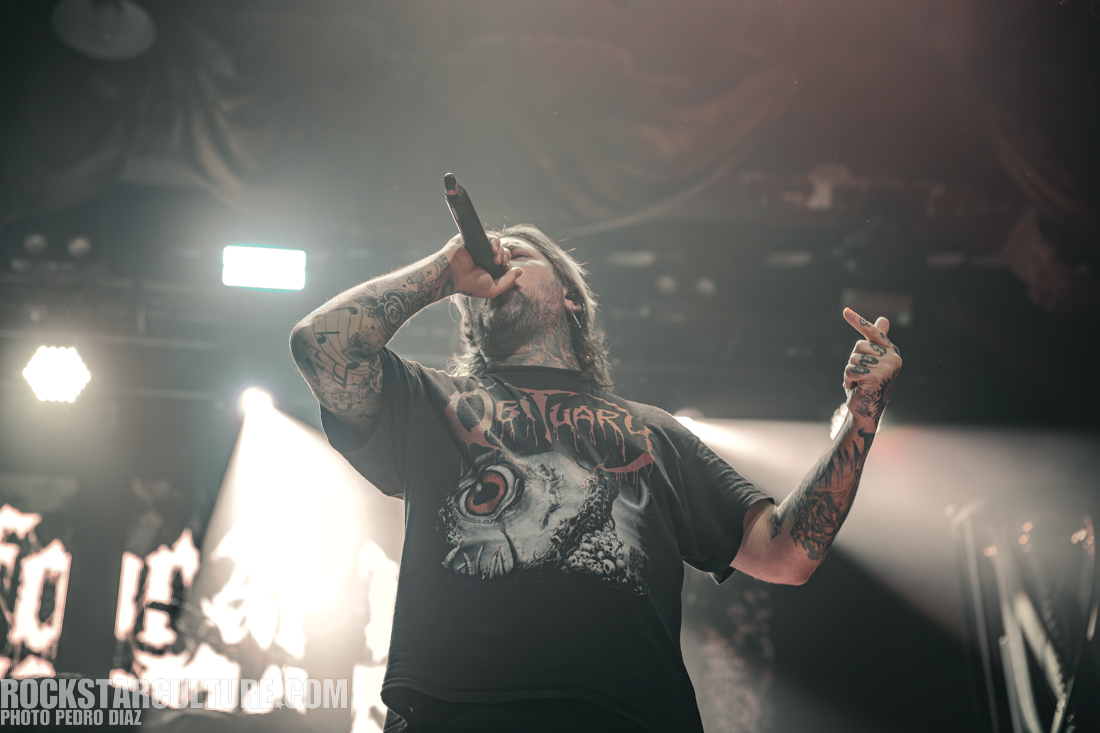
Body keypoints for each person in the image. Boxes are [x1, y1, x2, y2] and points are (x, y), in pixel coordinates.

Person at [289, 224, 902, 733]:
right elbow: (322, 345)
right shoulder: (431, 401)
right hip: (457, 714)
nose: (495, 256)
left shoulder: (656, 433)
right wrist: (445, 271)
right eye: (487, 253)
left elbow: (787, 552)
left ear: (571, 298)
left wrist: (860, 419)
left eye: (517, 252)